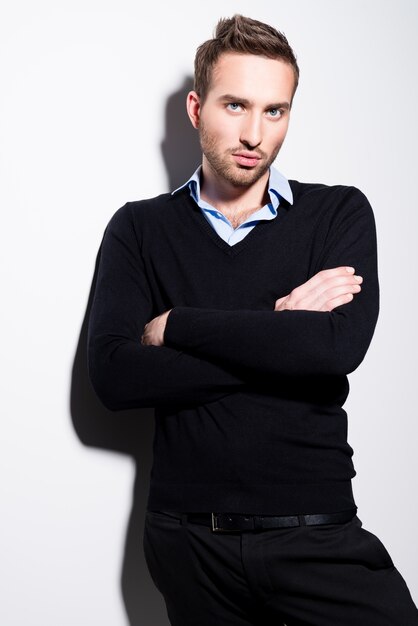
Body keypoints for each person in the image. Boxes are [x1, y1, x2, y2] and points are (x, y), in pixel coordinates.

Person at [87, 14, 418, 626]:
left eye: (275, 111)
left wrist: (178, 325)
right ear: (196, 107)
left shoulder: (337, 212)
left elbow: (335, 350)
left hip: (316, 538)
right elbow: (115, 376)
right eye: (235, 105)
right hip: (190, 542)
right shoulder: (139, 228)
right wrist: (281, 330)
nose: (254, 133)